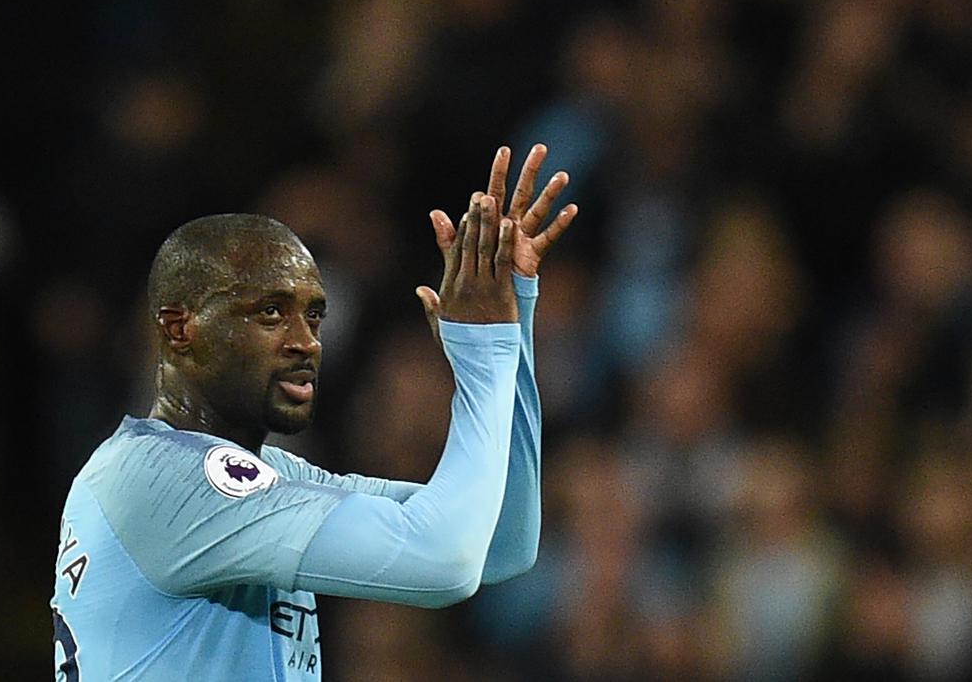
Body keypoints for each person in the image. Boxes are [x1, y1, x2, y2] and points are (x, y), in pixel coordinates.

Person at [50, 145, 577, 681]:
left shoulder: (265, 477)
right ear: (179, 327)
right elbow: (446, 560)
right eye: (271, 312)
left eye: (315, 316)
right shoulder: (160, 480)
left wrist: (509, 328)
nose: (305, 342)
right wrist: (482, 357)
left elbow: (501, 543)